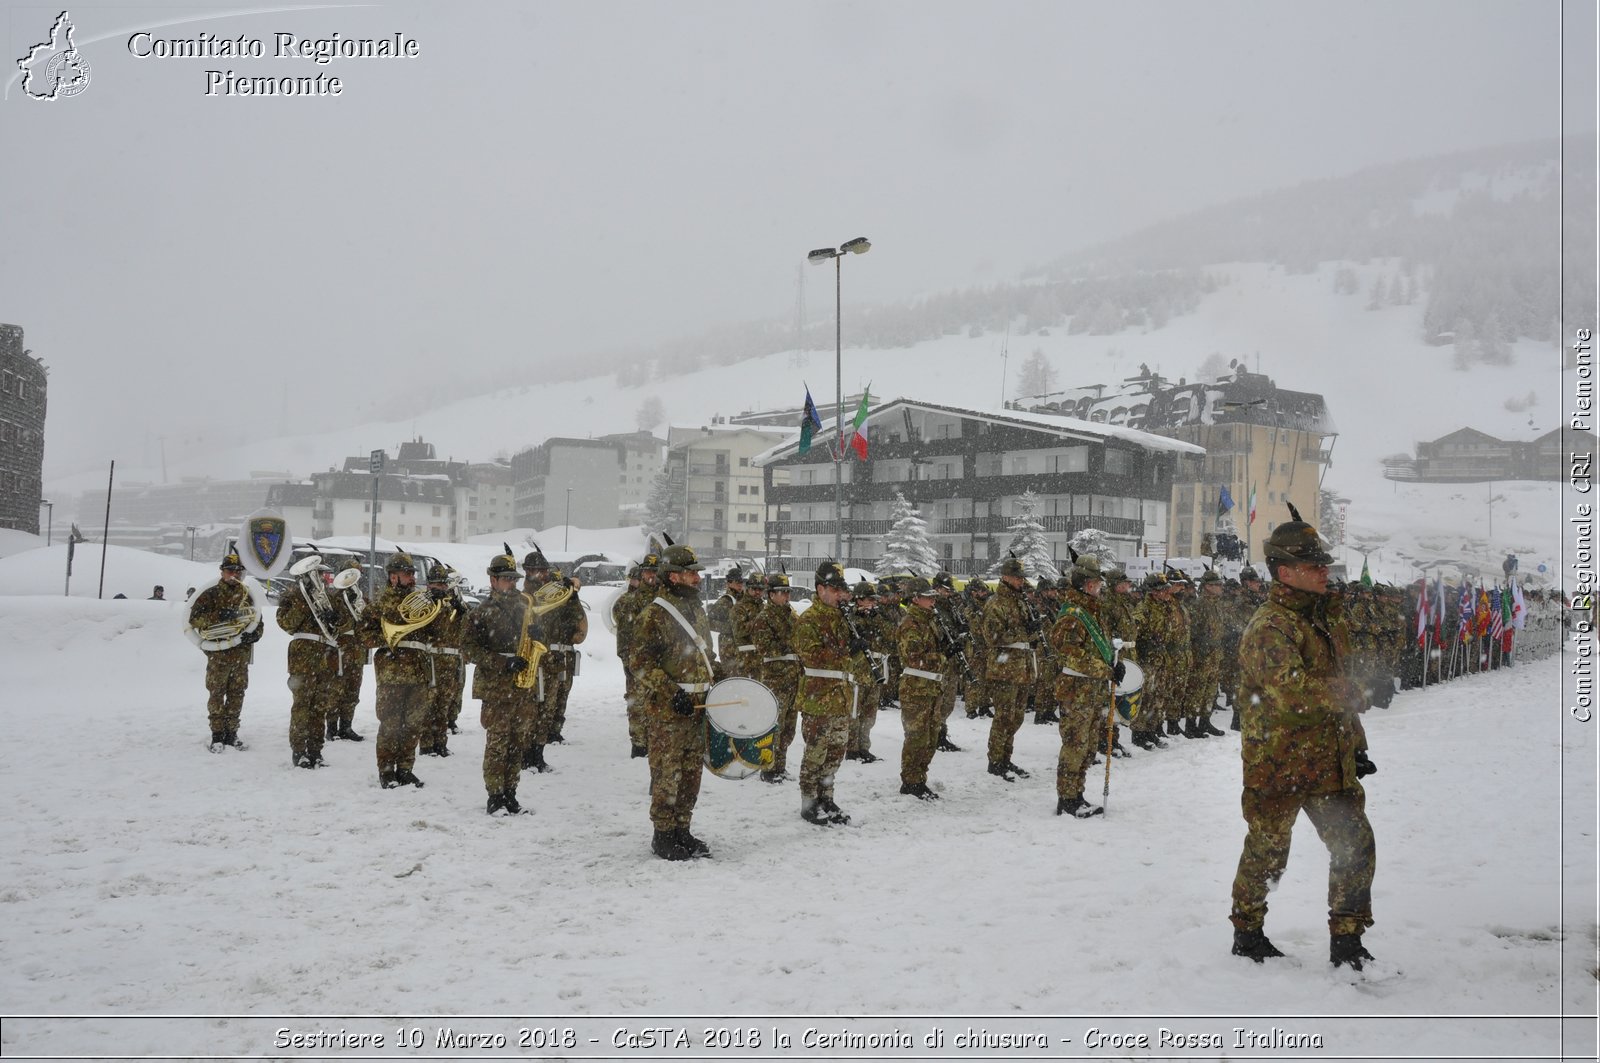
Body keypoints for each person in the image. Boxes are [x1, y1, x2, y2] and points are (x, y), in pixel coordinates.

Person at [1230, 513, 1378, 971]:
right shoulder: (1270, 627)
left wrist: (1355, 742)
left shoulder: (1324, 619)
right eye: (1314, 566)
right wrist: (1351, 692)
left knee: (1355, 845)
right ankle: (1248, 930)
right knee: (1269, 850)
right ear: (1285, 571)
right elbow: (1292, 693)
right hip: (1279, 763)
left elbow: (1334, 686)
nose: (1323, 572)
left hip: (1329, 761)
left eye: (1323, 565)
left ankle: (1348, 939)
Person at [625, 544, 719, 860]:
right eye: (692, 573)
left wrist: (722, 680)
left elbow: (707, 656)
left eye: (696, 573)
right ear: (674, 575)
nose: (698, 578)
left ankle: (683, 828)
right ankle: (663, 834)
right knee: (668, 773)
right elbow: (640, 663)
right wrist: (671, 693)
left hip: (699, 707)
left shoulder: (697, 611)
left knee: (692, 772)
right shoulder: (654, 614)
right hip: (668, 710)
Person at [462, 549, 532, 815]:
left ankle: (511, 792)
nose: (511, 584)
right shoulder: (481, 612)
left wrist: (537, 634)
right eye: (505, 579)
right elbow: (469, 650)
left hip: (520, 686)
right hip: (495, 687)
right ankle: (495, 795)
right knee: (498, 744)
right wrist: (503, 662)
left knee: (517, 742)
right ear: (492, 580)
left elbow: (533, 640)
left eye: (513, 579)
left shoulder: (525, 606)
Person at [1049, 555, 1117, 817]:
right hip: (1076, 691)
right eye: (1097, 583)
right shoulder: (1073, 616)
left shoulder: (1091, 612)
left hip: (1091, 691)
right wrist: (1106, 670)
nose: (1100, 588)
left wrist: (1113, 663)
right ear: (1086, 585)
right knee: (1075, 744)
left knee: (1087, 746)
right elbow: (1072, 655)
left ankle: (1077, 793)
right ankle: (1067, 798)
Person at [363, 552, 437, 789]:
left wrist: (443, 605)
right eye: (407, 574)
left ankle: (406, 768)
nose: (412, 578)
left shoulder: (423, 601)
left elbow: (438, 634)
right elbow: (362, 634)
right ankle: (386, 771)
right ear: (393, 577)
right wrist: (387, 636)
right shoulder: (380, 604)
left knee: (413, 723)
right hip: (392, 671)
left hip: (418, 670)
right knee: (391, 723)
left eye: (413, 574)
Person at [793, 561, 858, 825]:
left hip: (840, 697)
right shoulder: (809, 619)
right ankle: (809, 802)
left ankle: (826, 797)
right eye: (835, 589)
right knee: (816, 753)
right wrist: (846, 651)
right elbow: (812, 656)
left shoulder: (842, 618)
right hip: (818, 698)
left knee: (835, 753)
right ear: (821, 589)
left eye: (843, 589)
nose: (841, 595)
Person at [187, 552, 261, 750]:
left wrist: (254, 635)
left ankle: (232, 733)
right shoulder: (210, 593)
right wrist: (218, 615)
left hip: (240, 654)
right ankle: (217, 735)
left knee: (237, 694)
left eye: (238, 571)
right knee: (217, 694)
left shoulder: (247, 594)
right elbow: (194, 620)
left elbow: (257, 620)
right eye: (230, 571)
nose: (234, 575)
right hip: (219, 653)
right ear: (222, 571)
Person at [276, 556, 341, 768]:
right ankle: (299, 751)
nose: (320, 578)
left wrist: (334, 618)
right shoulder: (292, 595)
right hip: (302, 655)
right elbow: (287, 624)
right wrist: (304, 602)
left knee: (320, 706)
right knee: (302, 706)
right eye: (315, 574)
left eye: (320, 574)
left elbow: (339, 628)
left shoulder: (328, 596)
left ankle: (315, 750)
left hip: (324, 655)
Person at [980, 557, 1036, 780]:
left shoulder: (1020, 601)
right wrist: (1024, 631)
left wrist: (1032, 631)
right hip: (1004, 667)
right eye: (1016, 577)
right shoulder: (996, 603)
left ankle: (1006, 757)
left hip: (1021, 666)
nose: (1020, 581)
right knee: (1004, 716)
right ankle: (996, 761)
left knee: (1017, 717)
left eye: (1021, 577)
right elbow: (992, 636)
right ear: (1004, 577)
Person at [895, 577, 947, 800]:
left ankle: (920, 777)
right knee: (916, 737)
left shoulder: (929, 621)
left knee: (931, 736)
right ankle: (911, 781)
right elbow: (913, 657)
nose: (933, 601)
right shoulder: (910, 623)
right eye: (928, 597)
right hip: (916, 687)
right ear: (915, 599)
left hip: (931, 686)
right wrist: (943, 657)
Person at [752, 572, 801, 783]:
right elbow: (765, 648)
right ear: (771, 595)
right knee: (774, 727)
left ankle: (780, 765)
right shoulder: (763, 618)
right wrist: (791, 645)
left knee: (789, 728)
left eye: (788, 592)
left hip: (793, 678)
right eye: (782, 593)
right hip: (776, 679)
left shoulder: (791, 615)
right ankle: (768, 768)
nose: (786, 597)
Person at [417, 565, 467, 758]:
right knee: (428, 705)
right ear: (428, 585)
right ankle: (427, 744)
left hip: (449, 662)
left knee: (444, 706)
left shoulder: (450, 603)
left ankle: (440, 743)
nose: (440, 587)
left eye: (443, 584)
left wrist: (461, 611)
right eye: (436, 583)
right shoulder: (422, 602)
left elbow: (463, 631)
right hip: (431, 660)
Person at [326, 558, 368, 743]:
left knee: (353, 689)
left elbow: (366, 622)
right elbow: (332, 624)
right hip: (339, 648)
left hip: (356, 648)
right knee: (335, 689)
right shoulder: (333, 598)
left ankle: (346, 726)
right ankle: (331, 727)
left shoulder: (361, 598)